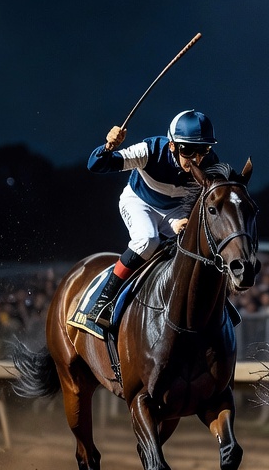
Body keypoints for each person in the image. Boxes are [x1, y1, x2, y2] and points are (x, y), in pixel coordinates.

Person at [84, 110, 221, 326]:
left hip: (175, 212)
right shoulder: (150, 150)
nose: (196, 159)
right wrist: (109, 146)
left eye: (203, 149)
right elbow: (96, 165)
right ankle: (103, 303)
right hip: (140, 202)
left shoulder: (210, 164)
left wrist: (181, 222)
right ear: (172, 145)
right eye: (188, 150)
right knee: (148, 240)